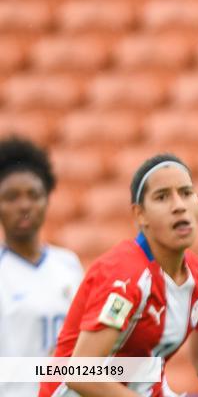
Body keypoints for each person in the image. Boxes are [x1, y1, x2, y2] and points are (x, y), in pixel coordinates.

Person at [40, 154, 198, 397]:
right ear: (140, 214)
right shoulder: (125, 277)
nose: (179, 205)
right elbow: (80, 373)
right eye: (162, 197)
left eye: (186, 192)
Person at [0, 136, 83, 397]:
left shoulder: (68, 264)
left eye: (33, 195)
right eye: (11, 197)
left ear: (47, 199)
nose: (24, 205)